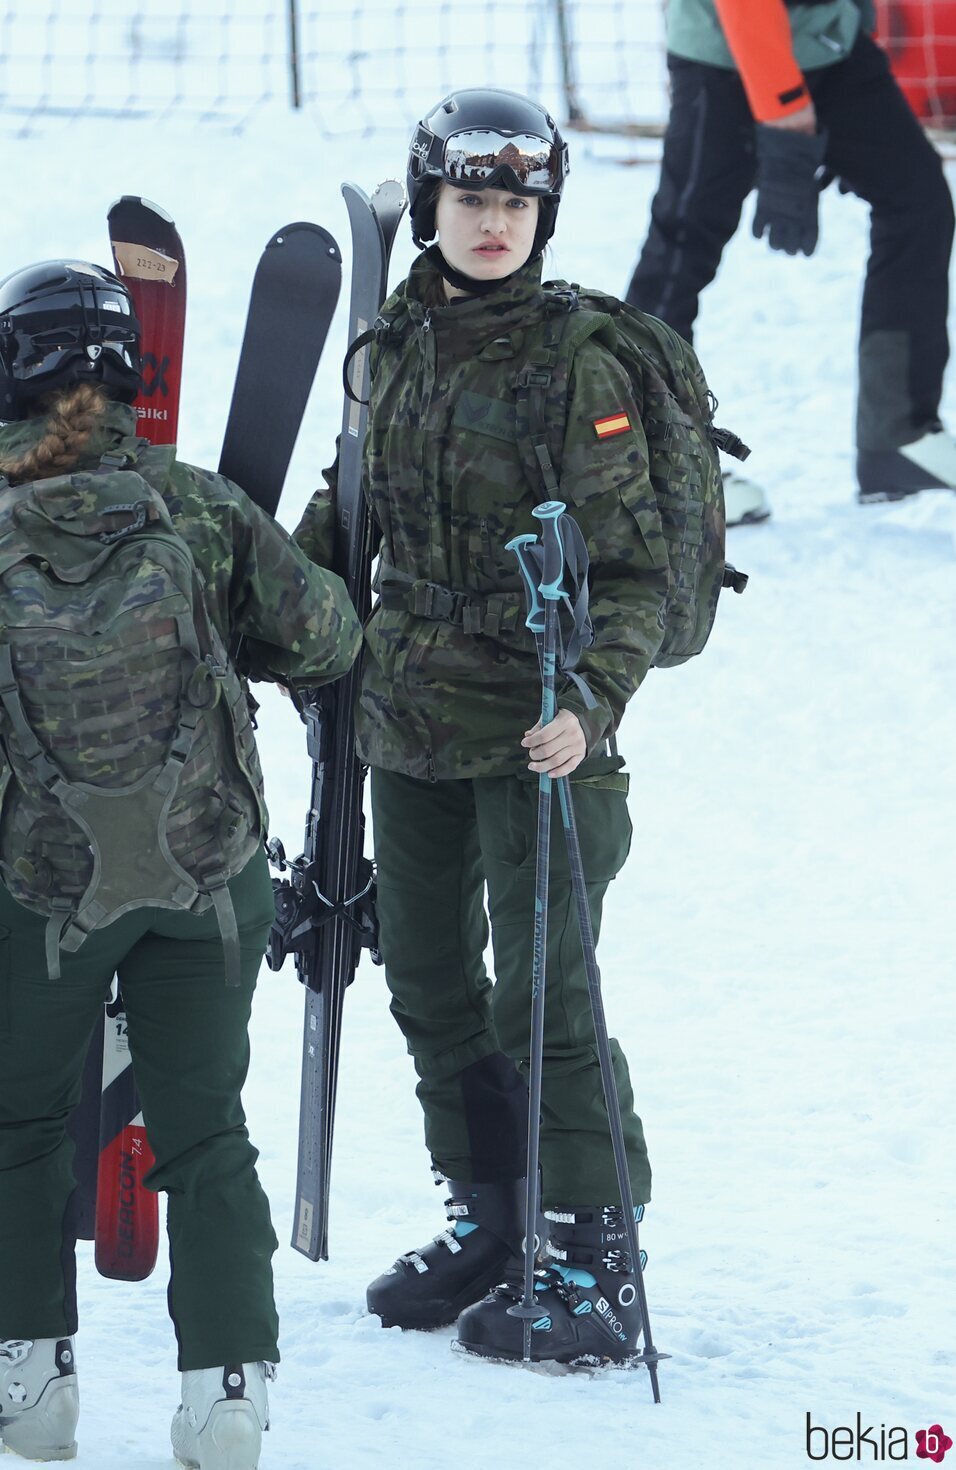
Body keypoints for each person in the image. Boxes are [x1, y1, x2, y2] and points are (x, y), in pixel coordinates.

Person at [296, 88, 672, 1368]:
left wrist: (589, 702)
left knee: (545, 998)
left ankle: (594, 1251)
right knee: (432, 983)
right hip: (402, 716)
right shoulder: (389, 344)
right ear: (432, 209)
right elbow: (346, 523)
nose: (493, 222)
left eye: (515, 203)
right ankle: (492, 1220)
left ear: (541, 213)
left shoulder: (580, 362)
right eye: (470, 200)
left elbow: (629, 573)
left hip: (535, 730)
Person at [0, 260, 361, 1466]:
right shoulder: (197, 505)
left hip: (39, 889)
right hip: (204, 880)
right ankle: (225, 1402)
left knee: (18, 1126)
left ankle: (32, 1382)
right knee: (206, 1134)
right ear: (130, 373)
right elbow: (323, 639)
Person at [626, 0, 956, 520]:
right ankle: (657, 457)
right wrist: (785, 113)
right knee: (684, 243)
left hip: (828, 42)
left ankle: (899, 435)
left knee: (917, 203)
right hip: (725, 55)